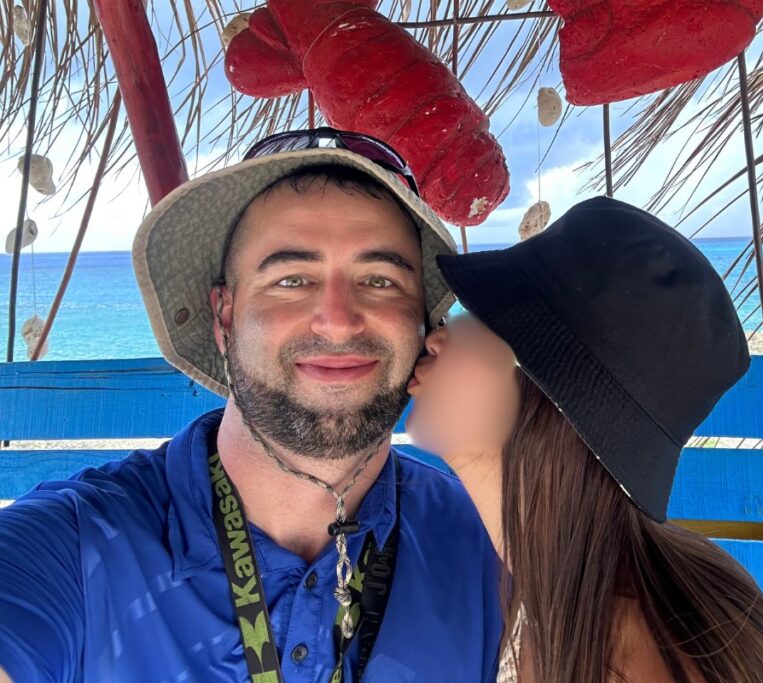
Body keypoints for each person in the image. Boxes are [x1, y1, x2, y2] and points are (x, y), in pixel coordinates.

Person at [0, 128, 504, 682]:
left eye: (379, 280)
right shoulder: (74, 548)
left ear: (426, 324)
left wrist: (488, 458)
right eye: (291, 279)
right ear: (223, 316)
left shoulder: (488, 541)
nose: (337, 319)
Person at [405, 196, 763, 682]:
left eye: (478, 315)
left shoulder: (630, 655)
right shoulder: (561, 590)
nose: (438, 335)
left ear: (548, 393)